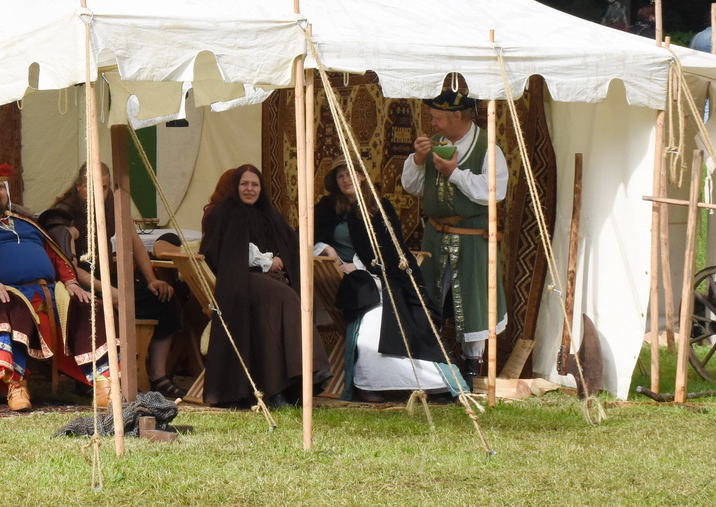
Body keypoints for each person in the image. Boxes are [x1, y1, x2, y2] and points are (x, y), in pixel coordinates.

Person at [0, 161, 109, 412]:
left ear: (7, 191)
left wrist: (71, 282)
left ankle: (103, 382)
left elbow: (54, 255)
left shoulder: (26, 222)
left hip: (50, 291)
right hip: (8, 291)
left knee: (89, 305)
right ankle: (16, 384)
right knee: (9, 307)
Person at [313, 162, 464, 400]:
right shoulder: (328, 209)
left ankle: (430, 383)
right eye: (340, 176)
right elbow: (307, 236)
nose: (345, 179)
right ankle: (373, 386)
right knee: (375, 320)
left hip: (387, 275)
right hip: (351, 279)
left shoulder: (379, 205)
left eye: (350, 174)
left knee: (406, 317)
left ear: (362, 176)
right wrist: (328, 251)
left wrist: (369, 266)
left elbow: (395, 246)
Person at [38, 163, 182, 397]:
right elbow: (68, 267)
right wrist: (109, 291)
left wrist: (151, 280)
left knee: (163, 300)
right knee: (101, 308)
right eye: (94, 187)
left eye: (104, 187)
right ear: (81, 187)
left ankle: (157, 375)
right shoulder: (64, 214)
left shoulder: (111, 205)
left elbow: (134, 240)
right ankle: (94, 377)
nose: (100, 193)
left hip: (105, 280)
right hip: (75, 285)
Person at [198, 164, 328, 408]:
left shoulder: (269, 214)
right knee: (284, 298)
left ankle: (283, 388)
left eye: (255, 184)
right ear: (235, 187)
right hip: (239, 281)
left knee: (281, 308)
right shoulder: (225, 213)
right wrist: (267, 262)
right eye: (244, 184)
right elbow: (220, 252)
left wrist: (282, 259)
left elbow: (291, 243)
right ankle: (311, 367)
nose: (250, 189)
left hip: (269, 281)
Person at [401, 87, 508, 377]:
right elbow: (411, 186)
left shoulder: (488, 148)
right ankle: (429, 365)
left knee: (474, 301)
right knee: (427, 298)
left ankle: (473, 368)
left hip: (472, 238)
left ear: (457, 115)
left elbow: (493, 192)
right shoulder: (435, 143)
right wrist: (418, 160)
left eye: (437, 118)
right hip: (435, 238)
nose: (432, 124)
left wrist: (454, 174)